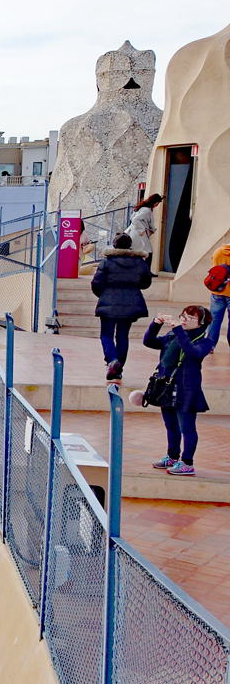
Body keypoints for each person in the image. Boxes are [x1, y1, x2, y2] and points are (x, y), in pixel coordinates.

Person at [143, 305, 214, 476]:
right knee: (171, 426)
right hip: (166, 386)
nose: (184, 319)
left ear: (201, 323)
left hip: (187, 389)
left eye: (190, 317)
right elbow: (149, 341)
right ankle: (172, 456)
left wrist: (177, 329)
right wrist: (156, 323)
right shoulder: (171, 335)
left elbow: (191, 352)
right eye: (183, 315)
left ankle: (187, 462)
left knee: (187, 427)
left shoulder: (205, 341)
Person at [91, 232, 151, 380]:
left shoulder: (106, 262)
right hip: (131, 303)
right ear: (130, 245)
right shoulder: (140, 262)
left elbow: (96, 284)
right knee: (123, 336)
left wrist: (104, 295)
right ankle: (119, 369)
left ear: (114, 245)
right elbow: (146, 283)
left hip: (108, 302)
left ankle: (112, 361)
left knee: (106, 334)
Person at [127, 193, 162, 274]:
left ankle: (143, 271)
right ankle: (146, 272)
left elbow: (132, 218)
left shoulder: (142, 208)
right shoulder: (146, 210)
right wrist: (142, 229)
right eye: (157, 203)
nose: (157, 205)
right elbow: (135, 219)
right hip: (139, 234)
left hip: (135, 233)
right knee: (148, 252)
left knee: (138, 252)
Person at [209, 243, 230, 349]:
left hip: (217, 291)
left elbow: (213, 268)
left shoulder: (218, 251)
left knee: (214, 320)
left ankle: (211, 345)